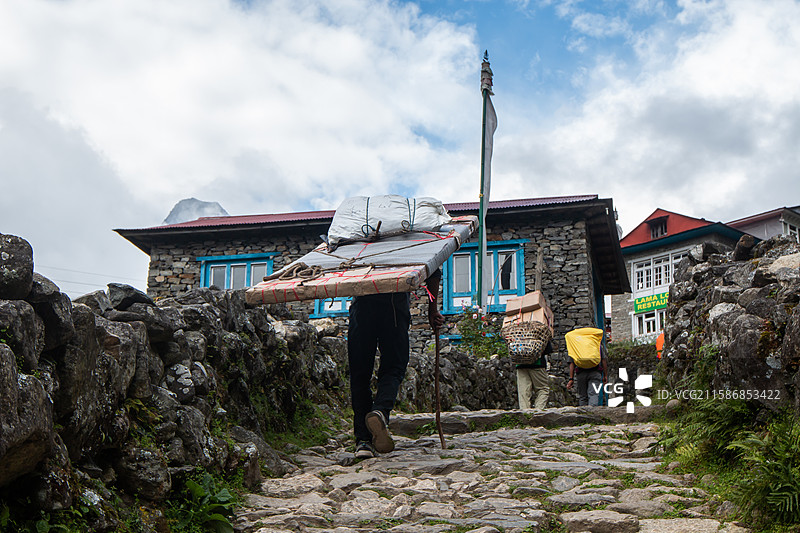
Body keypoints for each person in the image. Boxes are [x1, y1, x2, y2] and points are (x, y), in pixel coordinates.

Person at [348, 269, 444, 459]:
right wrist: (432, 311)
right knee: (394, 366)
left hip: (362, 306)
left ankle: (364, 442)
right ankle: (380, 412)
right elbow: (433, 272)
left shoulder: (356, 242)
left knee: (360, 373)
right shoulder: (412, 242)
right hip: (394, 307)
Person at [515, 340, 552, 410]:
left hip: (520, 363)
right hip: (537, 363)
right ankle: (538, 411)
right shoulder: (540, 332)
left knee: (523, 391)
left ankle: (525, 413)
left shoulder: (517, 332)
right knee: (542, 389)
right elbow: (548, 350)